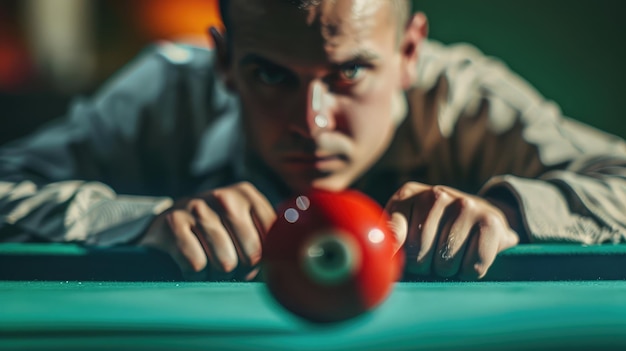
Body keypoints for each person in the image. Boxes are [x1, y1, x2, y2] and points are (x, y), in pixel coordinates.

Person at [1, 0, 625, 281]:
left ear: (409, 53)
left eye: (349, 73)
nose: (313, 123)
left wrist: (512, 212)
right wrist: (139, 222)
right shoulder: (163, 92)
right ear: (224, 61)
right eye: (270, 74)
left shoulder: (463, 97)